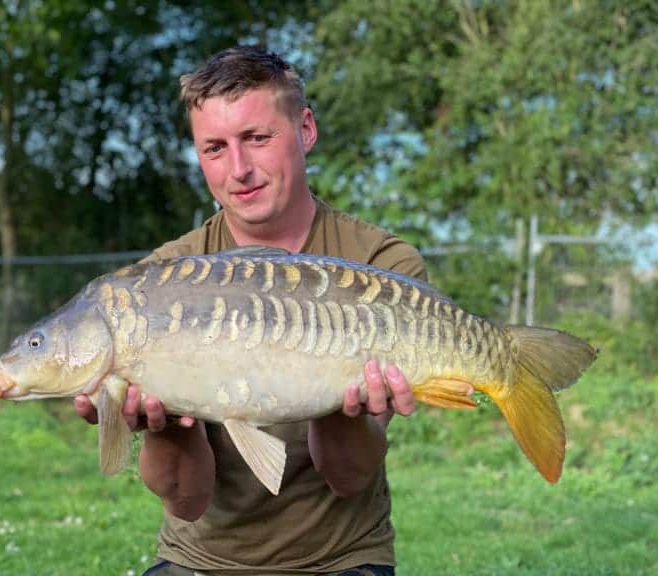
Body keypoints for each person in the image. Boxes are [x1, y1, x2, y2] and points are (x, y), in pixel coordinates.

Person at [74, 46, 427, 576]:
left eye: (257, 138)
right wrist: (163, 420)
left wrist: (334, 386)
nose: (238, 170)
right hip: (199, 558)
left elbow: (349, 479)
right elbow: (185, 501)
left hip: (342, 558)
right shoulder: (158, 282)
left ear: (305, 130)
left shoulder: (380, 265)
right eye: (214, 148)